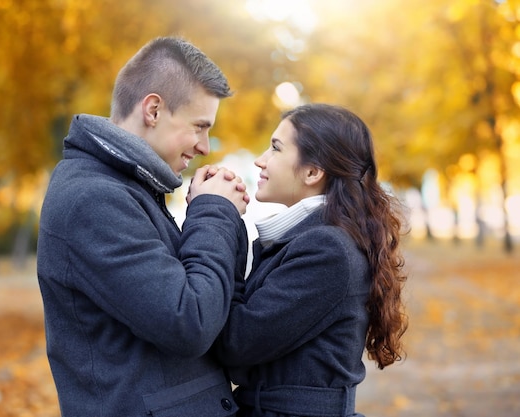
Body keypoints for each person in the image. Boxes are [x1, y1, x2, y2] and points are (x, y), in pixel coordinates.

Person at [37, 36, 250, 417]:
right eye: (199, 126)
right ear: (153, 110)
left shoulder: (127, 188)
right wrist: (213, 210)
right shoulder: (94, 199)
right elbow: (190, 321)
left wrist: (220, 217)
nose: (205, 146)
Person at [213, 103, 408, 417]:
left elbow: (235, 345)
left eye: (276, 149)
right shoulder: (315, 239)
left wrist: (224, 226)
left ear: (313, 172)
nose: (260, 160)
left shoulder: (325, 249)